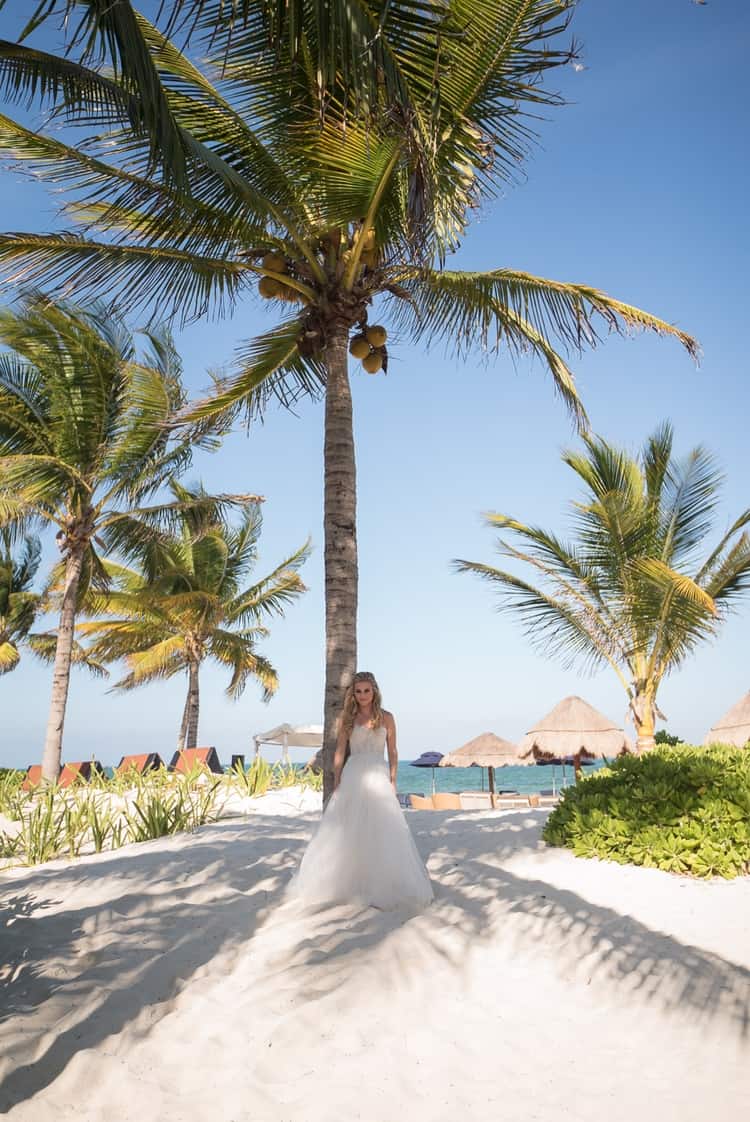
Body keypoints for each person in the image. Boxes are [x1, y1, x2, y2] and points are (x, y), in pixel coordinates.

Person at [288, 671, 433, 909]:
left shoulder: (387, 717)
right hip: (353, 773)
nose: (363, 695)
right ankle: (348, 883)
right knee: (348, 830)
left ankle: (381, 883)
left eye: (367, 690)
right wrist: (337, 781)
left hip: (378, 773)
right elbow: (339, 752)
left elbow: (393, 751)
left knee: (382, 828)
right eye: (358, 691)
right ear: (353, 694)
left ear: (374, 691)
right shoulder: (347, 719)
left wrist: (393, 778)